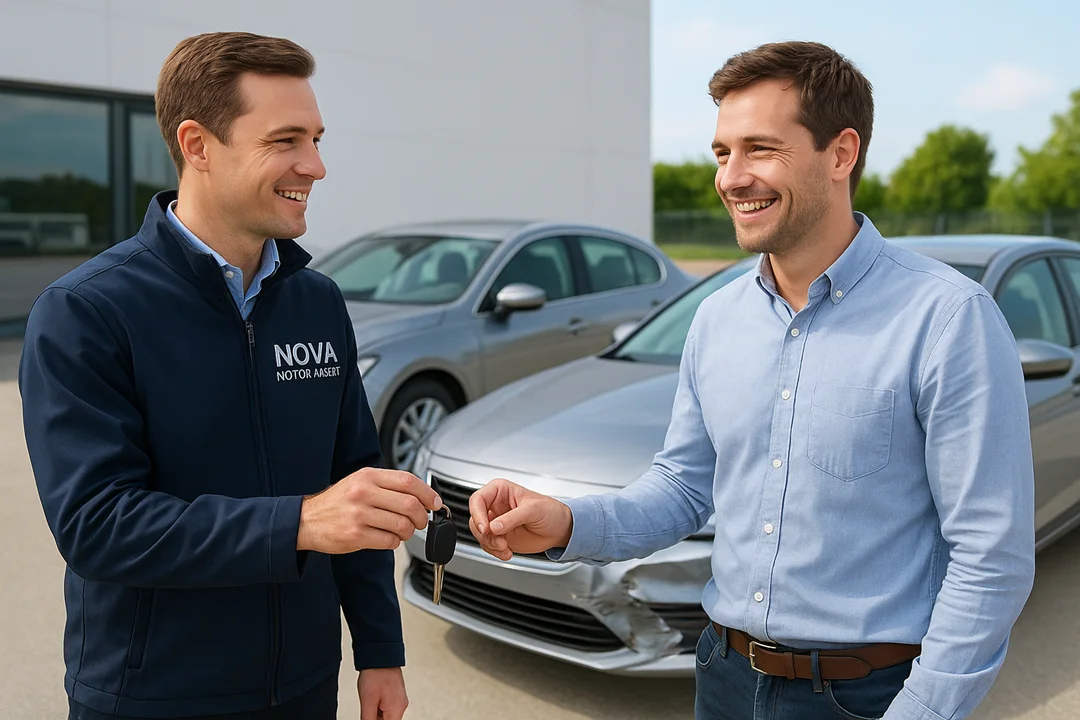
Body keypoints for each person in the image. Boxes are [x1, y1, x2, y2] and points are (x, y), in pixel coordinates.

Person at [468, 40, 1035, 720]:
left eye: (759, 149)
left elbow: (990, 557)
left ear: (841, 154)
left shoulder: (947, 319)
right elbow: (682, 488)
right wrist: (565, 521)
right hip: (724, 679)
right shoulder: (716, 319)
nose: (731, 178)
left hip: (866, 698)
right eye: (721, 153)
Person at [19, 32, 441, 720]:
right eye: (286, 141)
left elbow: (357, 482)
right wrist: (300, 522)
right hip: (154, 697)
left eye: (317, 138)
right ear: (196, 145)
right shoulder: (85, 312)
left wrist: (379, 651)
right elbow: (98, 525)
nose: (316, 166)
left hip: (306, 687)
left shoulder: (318, 301)